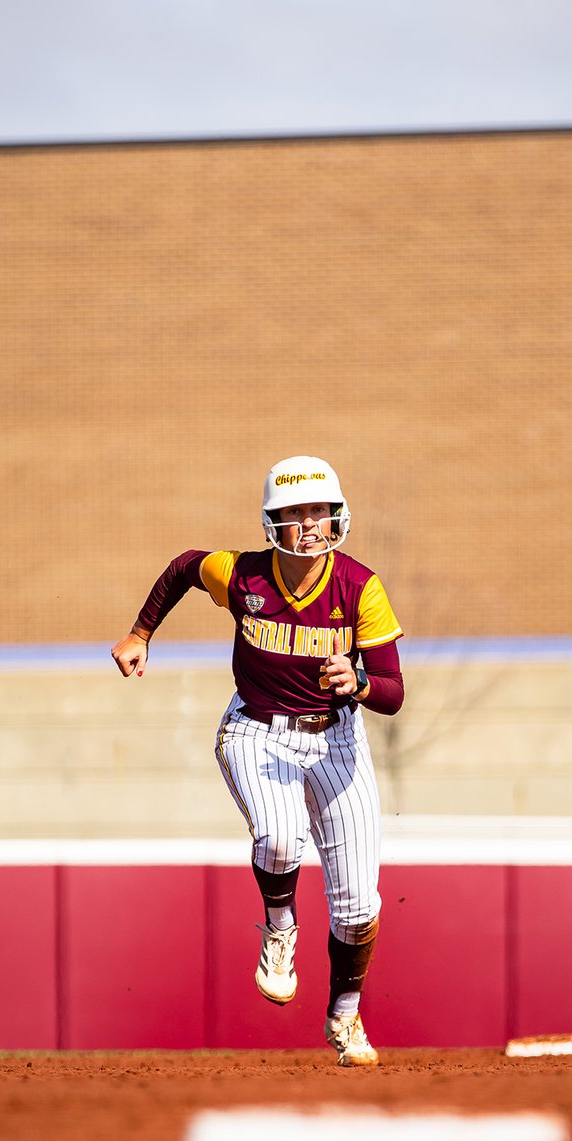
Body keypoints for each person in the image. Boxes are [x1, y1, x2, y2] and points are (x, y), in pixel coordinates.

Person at [110, 455, 404, 1067]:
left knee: (358, 908)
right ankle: (279, 929)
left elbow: (394, 693)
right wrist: (141, 632)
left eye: (320, 510)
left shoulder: (359, 585)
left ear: (338, 514)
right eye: (295, 513)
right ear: (273, 522)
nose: (310, 524)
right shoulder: (244, 574)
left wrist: (359, 683)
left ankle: (344, 1018)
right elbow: (184, 567)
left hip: (337, 740)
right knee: (278, 836)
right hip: (257, 729)